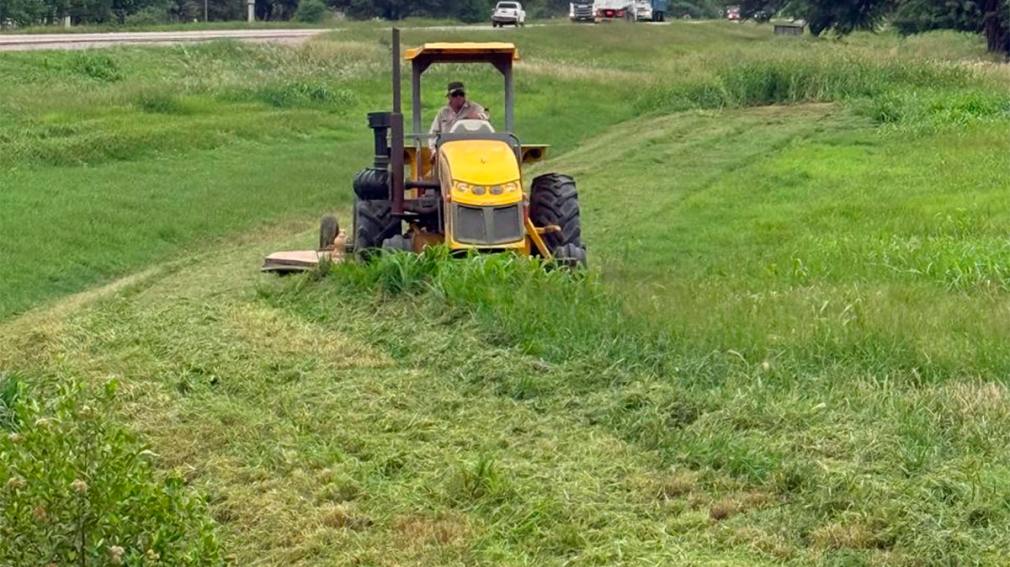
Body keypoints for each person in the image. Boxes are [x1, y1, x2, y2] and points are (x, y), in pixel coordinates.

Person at [428, 81, 488, 146]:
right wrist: (434, 150)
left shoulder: (474, 108)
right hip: (448, 149)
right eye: (455, 94)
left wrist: (476, 117)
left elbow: (486, 115)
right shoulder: (443, 112)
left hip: (469, 147)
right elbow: (433, 134)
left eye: (461, 94)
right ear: (449, 97)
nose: (458, 97)